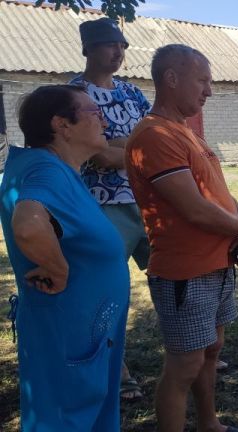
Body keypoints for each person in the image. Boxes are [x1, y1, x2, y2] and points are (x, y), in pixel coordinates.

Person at [125, 44, 238, 432]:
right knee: (183, 365)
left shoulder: (183, 131)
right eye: (202, 80)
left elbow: (217, 192)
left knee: (210, 352)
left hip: (216, 263)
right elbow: (195, 209)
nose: (210, 90)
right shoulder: (154, 135)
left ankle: (209, 424)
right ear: (171, 78)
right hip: (185, 272)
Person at [0, 85, 129, 431]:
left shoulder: (55, 167)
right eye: (93, 112)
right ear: (62, 124)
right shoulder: (46, 169)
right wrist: (56, 268)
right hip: (67, 335)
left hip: (83, 332)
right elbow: (28, 223)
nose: (103, 119)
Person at [69, 16, 153, 401]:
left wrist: (121, 147)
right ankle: (117, 371)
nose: (118, 52)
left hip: (149, 201)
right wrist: (133, 150)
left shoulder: (134, 93)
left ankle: (192, 349)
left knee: (175, 274)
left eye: (122, 45)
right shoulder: (73, 95)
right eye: (109, 45)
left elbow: (154, 140)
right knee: (107, 290)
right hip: (102, 208)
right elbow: (97, 157)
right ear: (88, 49)